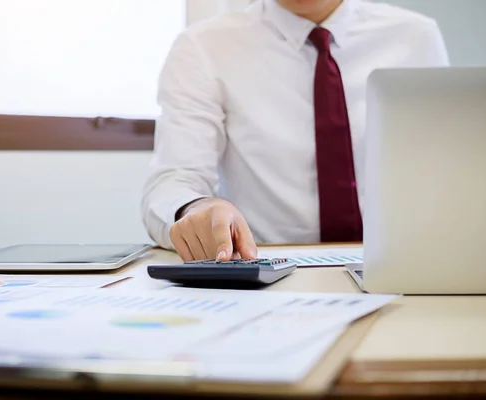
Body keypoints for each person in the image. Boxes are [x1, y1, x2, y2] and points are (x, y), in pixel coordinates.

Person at [141, 0, 449, 262]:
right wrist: (196, 207)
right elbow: (173, 181)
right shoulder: (204, 47)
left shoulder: (416, 38)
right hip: (264, 272)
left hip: (405, 266)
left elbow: (444, 170)